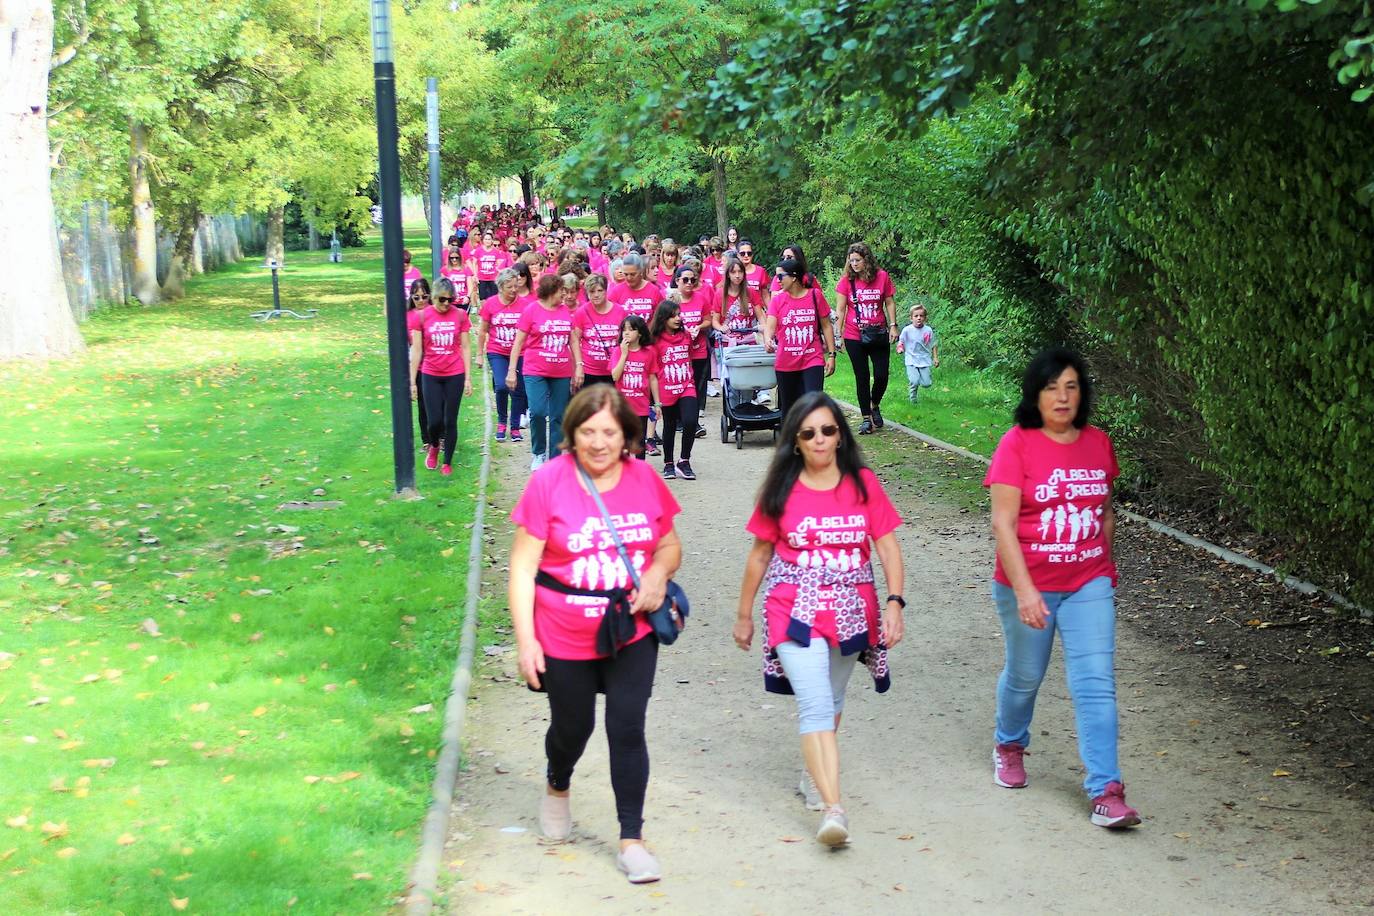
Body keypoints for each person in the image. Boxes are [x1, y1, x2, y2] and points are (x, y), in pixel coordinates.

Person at [507, 385, 683, 884]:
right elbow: (522, 570)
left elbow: (669, 546)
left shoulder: (644, 478)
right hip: (562, 631)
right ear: (573, 433)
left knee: (626, 727)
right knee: (573, 728)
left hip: (631, 626)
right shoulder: (548, 482)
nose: (600, 442)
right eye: (588, 432)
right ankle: (558, 781)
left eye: (609, 432)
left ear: (626, 434)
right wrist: (526, 641)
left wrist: (656, 575)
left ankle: (632, 840)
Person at [733, 391, 905, 847]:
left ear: (841, 436)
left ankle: (814, 772)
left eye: (829, 430)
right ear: (795, 442)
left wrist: (894, 602)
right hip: (793, 608)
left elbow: (887, 546)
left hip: (853, 608)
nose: (820, 440)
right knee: (814, 704)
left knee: (832, 696)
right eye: (809, 433)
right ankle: (834, 808)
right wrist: (744, 615)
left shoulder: (863, 483)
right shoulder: (781, 491)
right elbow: (759, 556)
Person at [983, 348, 1140, 829]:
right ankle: (1009, 743)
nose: (1062, 396)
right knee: (1026, 675)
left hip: (1087, 581)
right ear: (1036, 394)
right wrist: (1027, 590)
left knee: (1095, 684)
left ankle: (1106, 790)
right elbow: (1002, 523)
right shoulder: (1017, 444)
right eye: (1052, 387)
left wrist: (1103, 564)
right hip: (1026, 583)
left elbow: (1105, 510)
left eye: (1071, 386)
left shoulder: (1098, 443)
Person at [508, 275, 575, 471]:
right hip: (535, 369)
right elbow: (518, 342)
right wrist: (512, 370)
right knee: (537, 412)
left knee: (558, 415)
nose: (564, 294)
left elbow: (572, 341)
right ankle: (538, 452)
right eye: (560, 290)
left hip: (561, 369)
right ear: (550, 292)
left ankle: (555, 459)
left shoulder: (566, 312)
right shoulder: (531, 311)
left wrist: (578, 365)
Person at [409, 277, 474, 476]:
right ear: (434, 298)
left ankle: (447, 462)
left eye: (450, 300)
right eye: (442, 300)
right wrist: (412, 381)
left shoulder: (460, 315)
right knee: (434, 420)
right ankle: (434, 445)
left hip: (454, 373)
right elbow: (417, 350)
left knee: (450, 419)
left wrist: (468, 377)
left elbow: (465, 346)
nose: (446, 304)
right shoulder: (421, 317)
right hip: (430, 373)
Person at [835, 243, 898, 435]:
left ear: (866, 260)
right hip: (855, 334)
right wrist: (838, 335)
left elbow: (889, 302)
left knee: (881, 375)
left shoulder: (882, 277)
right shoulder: (846, 281)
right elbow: (840, 309)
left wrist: (893, 325)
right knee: (861, 377)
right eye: (851, 260)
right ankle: (865, 419)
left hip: (879, 332)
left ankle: (874, 403)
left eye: (858, 260)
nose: (854, 264)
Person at [763, 258, 835, 419]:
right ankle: (790, 442)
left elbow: (826, 326)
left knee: (814, 404)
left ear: (794, 277)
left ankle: (812, 441)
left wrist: (831, 355)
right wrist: (767, 339)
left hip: (812, 358)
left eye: (781, 277)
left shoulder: (815, 296)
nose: (777, 281)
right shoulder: (778, 300)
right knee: (789, 409)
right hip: (786, 362)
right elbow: (770, 325)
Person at [648, 300, 699, 481]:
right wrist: (655, 399)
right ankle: (668, 463)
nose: (678, 318)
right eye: (673, 315)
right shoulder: (654, 340)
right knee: (669, 425)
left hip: (686, 385)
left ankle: (684, 461)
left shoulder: (686, 335)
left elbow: (689, 357)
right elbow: (652, 368)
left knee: (691, 420)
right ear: (664, 318)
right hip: (666, 388)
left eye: (679, 314)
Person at [476, 268, 528, 443]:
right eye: (509, 287)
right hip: (497, 350)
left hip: (520, 351)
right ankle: (501, 422)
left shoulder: (524, 305)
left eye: (516, 286)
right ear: (500, 287)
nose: (514, 290)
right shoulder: (490, 304)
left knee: (518, 388)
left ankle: (514, 427)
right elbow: (483, 331)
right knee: (501, 385)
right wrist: (478, 354)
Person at [609, 315, 655, 457]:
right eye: (624, 330)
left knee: (639, 443)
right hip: (623, 406)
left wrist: (657, 403)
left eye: (631, 329)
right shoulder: (618, 351)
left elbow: (653, 378)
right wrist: (624, 354)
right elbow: (615, 376)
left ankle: (639, 474)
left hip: (641, 404)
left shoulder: (649, 352)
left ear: (640, 332)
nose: (626, 333)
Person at [572, 273, 625, 390]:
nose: (596, 295)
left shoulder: (620, 311)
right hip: (589, 370)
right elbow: (575, 341)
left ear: (606, 291)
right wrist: (578, 367)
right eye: (591, 292)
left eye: (600, 290)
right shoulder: (581, 312)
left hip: (613, 370)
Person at [406, 278, 433, 452]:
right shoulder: (408, 315)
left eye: (424, 296)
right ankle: (427, 440)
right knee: (423, 404)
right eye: (416, 297)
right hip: (418, 364)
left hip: (435, 363)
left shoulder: (434, 312)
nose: (421, 300)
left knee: (438, 404)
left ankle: (441, 436)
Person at [897, 304, 940, 402]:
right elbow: (901, 341)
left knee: (926, 383)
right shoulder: (907, 330)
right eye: (916, 316)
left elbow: (933, 344)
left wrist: (935, 358)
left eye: (921, 316)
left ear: (925, 318)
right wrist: (900, 348)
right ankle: (913, 399)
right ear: (911, 318)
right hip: (911, 358)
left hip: (924, 359)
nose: (919, 318)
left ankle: (919, 379)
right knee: (914, 381)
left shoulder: (928, 330)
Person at [467, 229, 513, 301]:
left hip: (493, 278)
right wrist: (475, 275)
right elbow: (475, 263)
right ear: (483, 240)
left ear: (492, 240)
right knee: (483, 298)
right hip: (482, 278)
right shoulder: (478, 251)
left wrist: (498, 274)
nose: (487, 241)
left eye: (489, 239)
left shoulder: (496, 251)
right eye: (486, 239)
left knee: (494, 297)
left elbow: (498, 265)